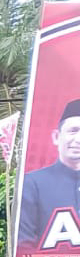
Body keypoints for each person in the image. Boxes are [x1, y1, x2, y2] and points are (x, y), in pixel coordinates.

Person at [17, 98, 80, 246]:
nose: (78, 139)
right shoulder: (32, 184)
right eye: (73, 131)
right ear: (56, 137)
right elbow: (23, 246)